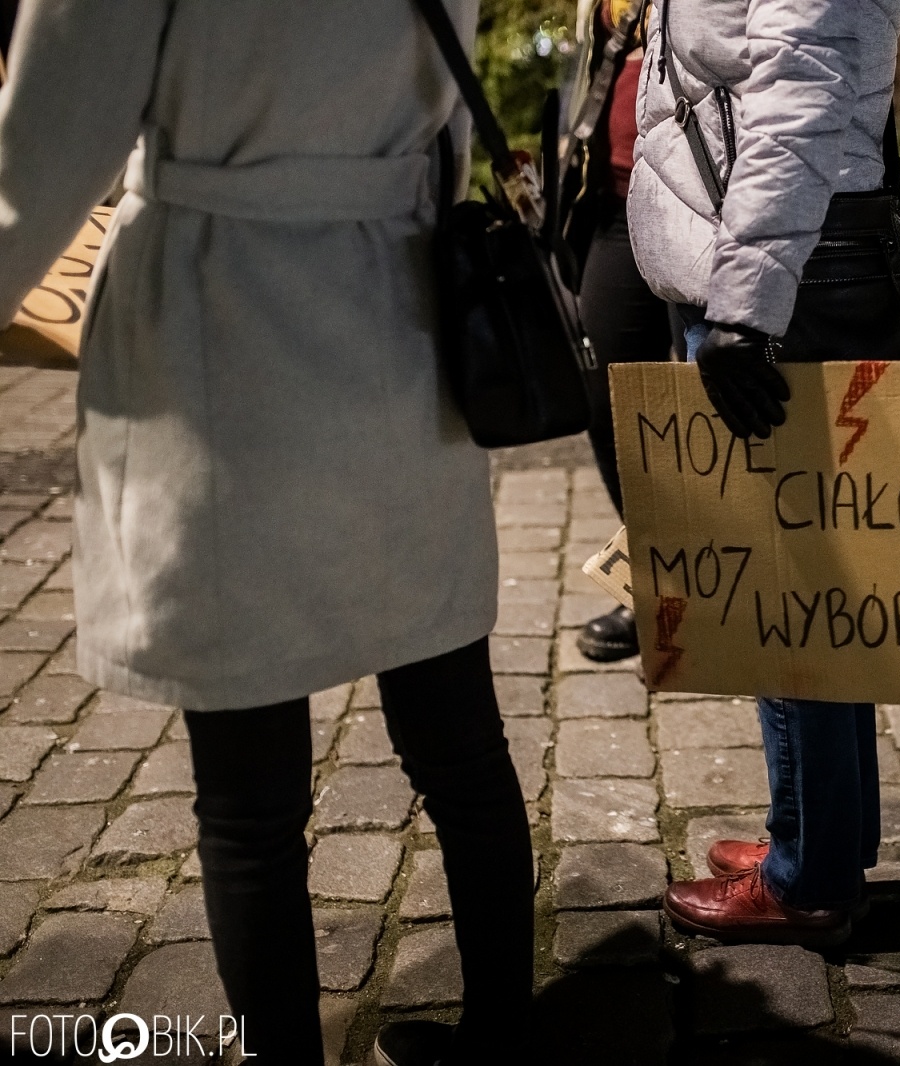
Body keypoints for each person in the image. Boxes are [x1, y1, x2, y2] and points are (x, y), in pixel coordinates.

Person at [0, 2, 533, 1063]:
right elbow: (448, 117)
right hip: (395, 302)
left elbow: (46, 154)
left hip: (219, 320)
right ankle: (505, 1035)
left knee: (248, 797)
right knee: (457, 735)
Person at [627, 0, 900, 946]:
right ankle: (822, 839)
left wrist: (746, 309)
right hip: (770, 256)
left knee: (795, 589)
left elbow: (800, 89)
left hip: (780, 273)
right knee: (810, 581)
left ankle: (809, 881)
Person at [559, 0, 674, 665]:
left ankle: (756, 591)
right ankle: (658, 580)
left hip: (711, 202)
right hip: (616, 197)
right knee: (602, 391)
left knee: (728, 398)